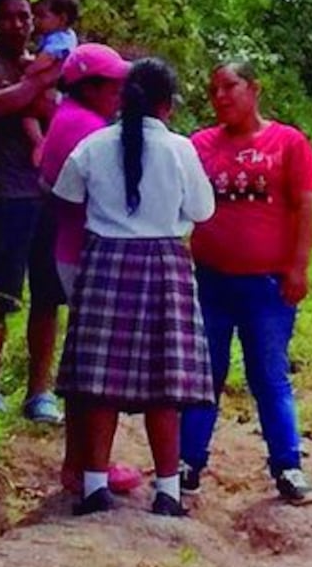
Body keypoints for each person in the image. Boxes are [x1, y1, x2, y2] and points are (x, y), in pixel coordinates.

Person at [53, 57, 216, 517]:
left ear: (124, 99)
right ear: (167, 105)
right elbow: (202, 211)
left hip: (104, 262)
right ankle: (168, 492)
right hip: (164, 263)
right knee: (165, 383)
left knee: (99, 383)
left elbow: (66, 195)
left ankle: (93, 487)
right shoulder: (180, 149)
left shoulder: (93, 145)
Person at [180, 61, 312, 505]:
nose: (220, 96)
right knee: (205, 375)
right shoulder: (199, 145)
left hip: (267, 286)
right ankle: (187, 464)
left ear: (254, 89)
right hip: (210, 283)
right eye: (213, 89)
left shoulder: (288, 143)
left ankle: (288, 466)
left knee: (269, 375)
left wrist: (298, 268)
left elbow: (305, 208)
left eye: (230, 86)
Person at [37, 42, 143, 497]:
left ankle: (81, 462)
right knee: (95, 365)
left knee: (85, 357)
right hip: (86, 252)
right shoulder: (88, 130)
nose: (119, 93)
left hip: (70, 246)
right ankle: (85, 465)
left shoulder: (69, 118)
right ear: (90, 86)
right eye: (113, 85)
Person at [0, 0, 65, 421]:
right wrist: (35, 86)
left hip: (49, 195)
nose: (19, 24)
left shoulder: (42, 64)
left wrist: (23, 93)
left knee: (47, 296)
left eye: (25, 16)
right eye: (8, 17)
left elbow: (56, 113)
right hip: (7, 196)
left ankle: (39, 392)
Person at [23, 0, 81, 167]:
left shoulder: (59, 39)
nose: (36, 21)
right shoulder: (67, 36)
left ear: (61, 19)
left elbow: (47, 59)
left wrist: (28, 72)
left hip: (51, 89)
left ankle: (39, 142)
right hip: (58, 91)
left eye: (42, 16)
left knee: (28, 114)